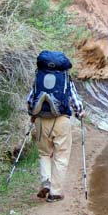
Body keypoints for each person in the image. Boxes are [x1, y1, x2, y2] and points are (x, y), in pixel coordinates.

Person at [27, 50, 85, 203]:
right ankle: (55, 193)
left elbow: (30, 99)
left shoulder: (39, 76)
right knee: (61, 156)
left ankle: (46, 181)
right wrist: (80, 113)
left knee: (44, 153)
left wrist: (32, 115)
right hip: (61, 120)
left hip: (40, 120)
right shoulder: (65, 78)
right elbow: (75, 101)